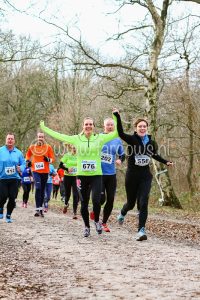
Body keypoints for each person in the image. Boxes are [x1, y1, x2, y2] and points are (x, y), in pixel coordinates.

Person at [40, 114, 118, 237]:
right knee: (84, 202)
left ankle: (97, 221)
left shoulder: (99, 138)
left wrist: (116, 117)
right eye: (86, 124)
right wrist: (44, 128)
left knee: (97, 201)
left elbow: (116, 133)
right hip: (81, 175)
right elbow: (59, 135)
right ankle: (87, 226)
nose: (88, 126)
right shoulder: (76, 139)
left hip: (96, 175)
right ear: (83, 126)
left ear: (93, 126)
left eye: (90, 124)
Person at [113, 109, 173, 241]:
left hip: (145, 175)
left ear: (147, 128)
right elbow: (120, 133)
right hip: (132, 176)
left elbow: (153, 155)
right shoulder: (132, 139)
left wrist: (165, 161)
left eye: (144, 126)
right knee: (131, 203)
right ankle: (123, 212)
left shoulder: (151, 142)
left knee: (143, 202)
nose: (142, 128)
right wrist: (117, 116)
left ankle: (141, 230)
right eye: (140, 126)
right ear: (136, 128)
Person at [90, 117, 125, 232]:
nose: (110, 126)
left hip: (111, 174)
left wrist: (120, 160)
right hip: (99, 173)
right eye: (108, 125)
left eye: (112, 125)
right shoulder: (98, 137)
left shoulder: (117, 140)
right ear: (104, 126)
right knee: (101, 199)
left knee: (110, 199)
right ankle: (95, 211)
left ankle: (104, 222)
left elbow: (122, 155)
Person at [25, 131, 55, 217]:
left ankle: (40, 209)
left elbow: (53, 158)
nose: (40, 138)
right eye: (39, 137)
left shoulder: (48, 147)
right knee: (38, 188)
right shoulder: (32, 147)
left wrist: (48, 160)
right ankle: (37, 208)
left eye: (42, 137)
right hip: (35, 170)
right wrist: (28, 161)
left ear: (44, 138)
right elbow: (27, 155)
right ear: (37, 137)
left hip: (45, 171)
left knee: (42, 190)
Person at [0, 133, 25, 223]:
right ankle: (1, 207)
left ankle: (8, 215)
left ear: (14, 141)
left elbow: (23, 163)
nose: (10, 140)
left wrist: (21, 168)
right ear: (6, 140)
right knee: (3, 196)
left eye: (11, 139)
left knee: (12, 197)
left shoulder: (18, 153)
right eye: (8, 139)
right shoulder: (1, 150)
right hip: (2, 178)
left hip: (14, 178)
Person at [59, 144, 79, 219]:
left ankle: (74, 212)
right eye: (73, 148)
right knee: (67, 194)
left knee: (75, 195)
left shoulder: (79, 156)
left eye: (76, 148)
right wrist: (67, 169)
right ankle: (66, 204)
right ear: (71, 148)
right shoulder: (67, 155)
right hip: (67, 177)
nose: (75, 149)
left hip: (76, 177)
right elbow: (60, 165)